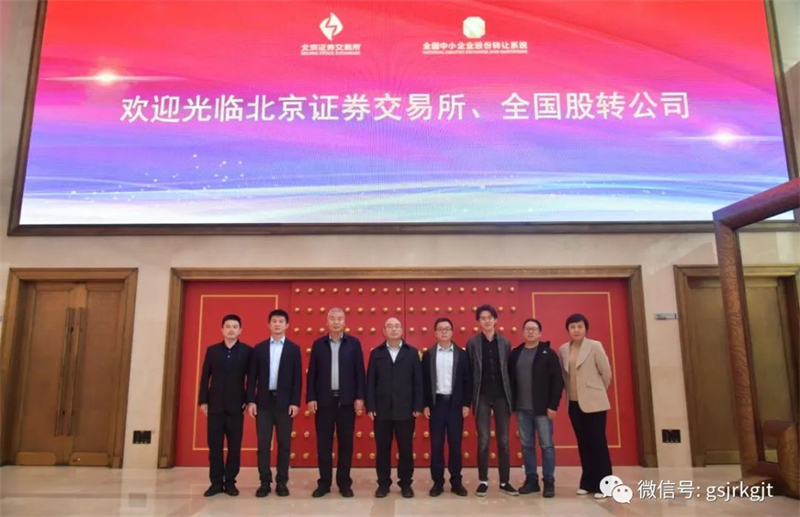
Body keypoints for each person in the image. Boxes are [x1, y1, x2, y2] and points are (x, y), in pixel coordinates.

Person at [306, 308, 366, 498]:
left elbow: (359, 372)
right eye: (332, 318)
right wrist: (311, 397)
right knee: (323, 445)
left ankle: (344, 483)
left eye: (340, 318)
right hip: (324, 402)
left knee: (346, 444)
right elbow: (312, 373)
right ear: (327, 322)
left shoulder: (353, 344)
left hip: (346, 402)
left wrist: (360, 397)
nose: (336, 321)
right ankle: (324, 483)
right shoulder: (318, 344)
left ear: (345, 322)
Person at [366, 317, 424, 498]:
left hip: (405, 410)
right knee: (382, 449)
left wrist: (418, 405)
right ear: (384, 331)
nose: (393, 329)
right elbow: (370, 382)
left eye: (397, 326)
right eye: (390, 326)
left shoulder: (411, 352)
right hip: (381, 410)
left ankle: (406, 484)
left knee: (406, 449)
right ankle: (383, 484)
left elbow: (418, 381)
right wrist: (370, 406)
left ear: (402, 330)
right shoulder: (376, 353)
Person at [247, 309, 302, 498]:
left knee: (284, 443)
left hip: (285, 403)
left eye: (281, 321)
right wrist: (251, 401)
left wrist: (295, 402)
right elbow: (252, 377)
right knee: (263, 443)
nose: (277, 324)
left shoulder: (293, 349)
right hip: (263, 402)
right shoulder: (259, 348)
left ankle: (281, 482)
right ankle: (264, 481)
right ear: (269, 324)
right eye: (274, 321)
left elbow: (297, 378)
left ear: (287, 325)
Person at [558, 313, 613, 499]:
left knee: (598, 443)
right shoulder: (563, 349)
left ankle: (605, 485)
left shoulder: (595, 346)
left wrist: (595, 391)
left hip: (594, 403)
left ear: (585, 328)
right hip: (573, 403)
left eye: (579, 326)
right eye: (572, 327)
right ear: (568, 330)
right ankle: (587, 482)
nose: (576, 330)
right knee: (583, 444)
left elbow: (606, 373)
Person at [466, 304, 518, 496]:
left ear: (496, 320)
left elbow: (509, 372)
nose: (486, 321)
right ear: (478, 322)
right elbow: (470, 372)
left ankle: (505, 482)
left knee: (503, 440)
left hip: (502, 396)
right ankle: (483, 481)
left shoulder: (505, 342)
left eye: (490, 317)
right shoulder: (472, 343)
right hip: (482, 395)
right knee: (484, 440)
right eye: (483, 318)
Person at [198, 314, 253, 497]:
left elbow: (251, 379)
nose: (231, 330)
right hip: (215, 405)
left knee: (234, 447)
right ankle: (215, 483)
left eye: (235, 327)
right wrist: (203, 400)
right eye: (228, 326)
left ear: (240, 330)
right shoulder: (212, 350)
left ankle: (230, 482)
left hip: (237, 407)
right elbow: (205, 376)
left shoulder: (247, 351)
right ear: (222, 329)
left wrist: (248, 400)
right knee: (214, 446)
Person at [508, 318, 563, 498]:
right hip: (522, 409)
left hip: (543, 410)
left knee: (546, 446)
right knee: (527, 446)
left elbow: (557, 381)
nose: (530, 332)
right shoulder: (516, 353)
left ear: (540, 333)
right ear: (523, 332)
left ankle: (549, 481)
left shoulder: (548, 353)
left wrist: (553, 405)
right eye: (527, 329)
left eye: (534, 329)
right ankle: (531, 480)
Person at [421, 317, 472, 497]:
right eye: (440, 329)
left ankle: (456, 481)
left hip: (455, 405)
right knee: (436, 445)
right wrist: (425, 404)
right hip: (436, 405)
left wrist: (466, 403)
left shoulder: (462, 354)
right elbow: (424, 382)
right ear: (435, 333)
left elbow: (468, 381)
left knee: (455, 444)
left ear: (452, 332)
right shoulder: (428, 355)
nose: (444, 332)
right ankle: (438, 482)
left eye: (447, 329)